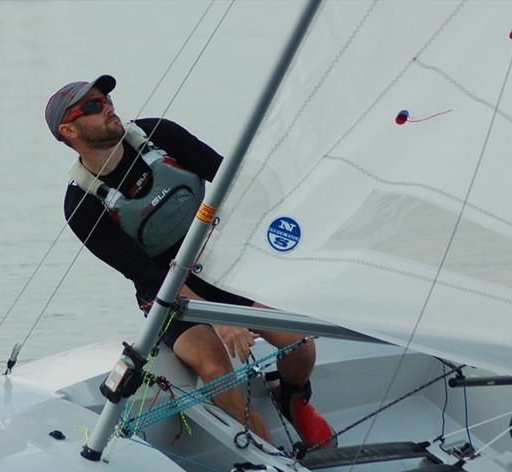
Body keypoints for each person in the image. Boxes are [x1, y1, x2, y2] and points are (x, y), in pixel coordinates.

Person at [45, 74, 335, 449]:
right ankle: (277, 459)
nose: (110, 108)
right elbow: (145, 275)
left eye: (107, 99)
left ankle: (293, 398)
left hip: (220, 270)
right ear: (69, 130)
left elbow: (237, 184)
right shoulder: (81, 207)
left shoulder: (161, 135)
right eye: (94, 107)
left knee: (299, 345)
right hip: (168, 296)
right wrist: (218, 319)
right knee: (217, 372)